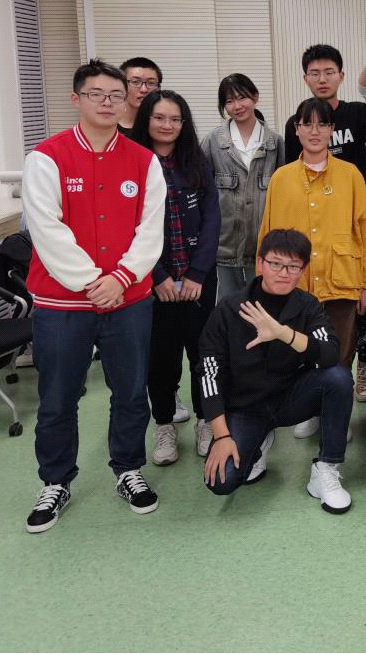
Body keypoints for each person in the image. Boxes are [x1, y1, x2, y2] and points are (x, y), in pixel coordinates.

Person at [22, 59, 166, 533]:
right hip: (62, 304)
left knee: (131, 391)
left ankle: (128, 469)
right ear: (76, 99)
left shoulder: (143, 160)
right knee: (58, 397)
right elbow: (47, 230)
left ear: (127, 102)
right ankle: (55, 481)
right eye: (96, 94)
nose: (107, 102)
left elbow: (151, 230)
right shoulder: (46, 158)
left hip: (128, 300)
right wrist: (92, 282)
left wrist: (121, 278)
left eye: (115, 95)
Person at [198, 229, 354, 513]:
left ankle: (326, 468)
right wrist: (221, 436)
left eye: (293, 267)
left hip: (289, 399)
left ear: (302, 270)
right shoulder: (228, 309)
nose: (284, 273)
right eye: (275, 264)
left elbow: (330, 353)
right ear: (260, 263)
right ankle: (260, 440)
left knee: (338, 378)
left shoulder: (308, 305)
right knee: (221, 482)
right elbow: (209, 373)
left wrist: (283, 333)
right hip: (244, 407)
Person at [260, 97, 366, 441]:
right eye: (306, 124)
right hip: (293, 284)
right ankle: (309, 409)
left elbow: (364, 230)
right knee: (298, 350)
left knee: (339, 353)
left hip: (342, 281)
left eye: (322, 124)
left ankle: (334, 416)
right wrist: (264, 282)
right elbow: (267, 233)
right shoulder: (281, 178)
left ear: (331, 130)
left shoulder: (351, 174)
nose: (314, 131)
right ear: (296, 130)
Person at [282, 43, 366, 402]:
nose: (322, 79)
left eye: (329, 72)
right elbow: (293, 177)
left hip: (357, 221)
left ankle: (363, 366)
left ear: (341, 76)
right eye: (315, 73)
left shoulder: (357, 113)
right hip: (316, 228)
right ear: (305, 78)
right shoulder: (296, 122)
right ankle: (317, 379)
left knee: (363, 301)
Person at [131, 90, 221, 466]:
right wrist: (157, 277)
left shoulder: (196, 162)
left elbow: (212, 218)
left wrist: (198, 273)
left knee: (202, 354)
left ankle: (205, 421)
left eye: (175, 119)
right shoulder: (132, 162)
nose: (167, 125)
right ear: (146, 120)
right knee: (161, 358)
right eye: (159, 117)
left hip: (198, 279)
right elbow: (128, 227)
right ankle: (164, 425)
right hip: (153, 282)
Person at [203, 74, 283, 300]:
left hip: (264, 248)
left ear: (255, 97)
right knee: (227, 307)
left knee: (263, 306)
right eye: (229, 101)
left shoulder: (275, 144)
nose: (237, 106)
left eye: (242, 98)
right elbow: (202, 192)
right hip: (224, 247)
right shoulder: (212, 142)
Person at [116, 56, 162, 135]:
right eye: (135, 82)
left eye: (151, 83)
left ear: (159, 88)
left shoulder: (163, 128)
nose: (144, 90)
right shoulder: (108, 126)